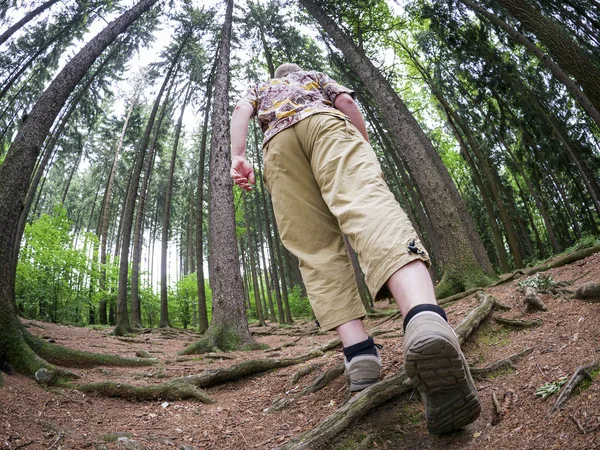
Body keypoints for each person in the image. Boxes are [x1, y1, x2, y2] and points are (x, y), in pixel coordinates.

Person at [230, 63, 480, 434]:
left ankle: (360, 355)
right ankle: (424, 318)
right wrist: (361, 141)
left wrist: (238, 156)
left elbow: (241, 111)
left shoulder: (262, 87)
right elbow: (344, 100)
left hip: (277, 147)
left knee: (313, 249)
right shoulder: (311, 77)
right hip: (326, 126)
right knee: (368, 207)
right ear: (296, 70)